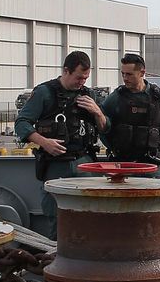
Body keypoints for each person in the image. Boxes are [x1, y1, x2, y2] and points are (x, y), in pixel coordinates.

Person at [15, 50, 109, 236]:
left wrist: (98, 112)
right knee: (57, 219)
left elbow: (106, 127)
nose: (82, 82)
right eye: (79, 77)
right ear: (66, 71)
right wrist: (44, 142)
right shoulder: (45, 93)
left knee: (90, 217)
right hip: (55, 165)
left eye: (85, 78)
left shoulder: (88, 95)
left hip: (84, 164)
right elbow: (22, 123)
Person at [101, 53, 160, 167]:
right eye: (123, 74)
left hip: (152, 164)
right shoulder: (116, 97)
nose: (125, 78)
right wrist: (114, 149)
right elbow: (102, 126)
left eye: (129, 74)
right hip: (123, 163)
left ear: (142, 73)